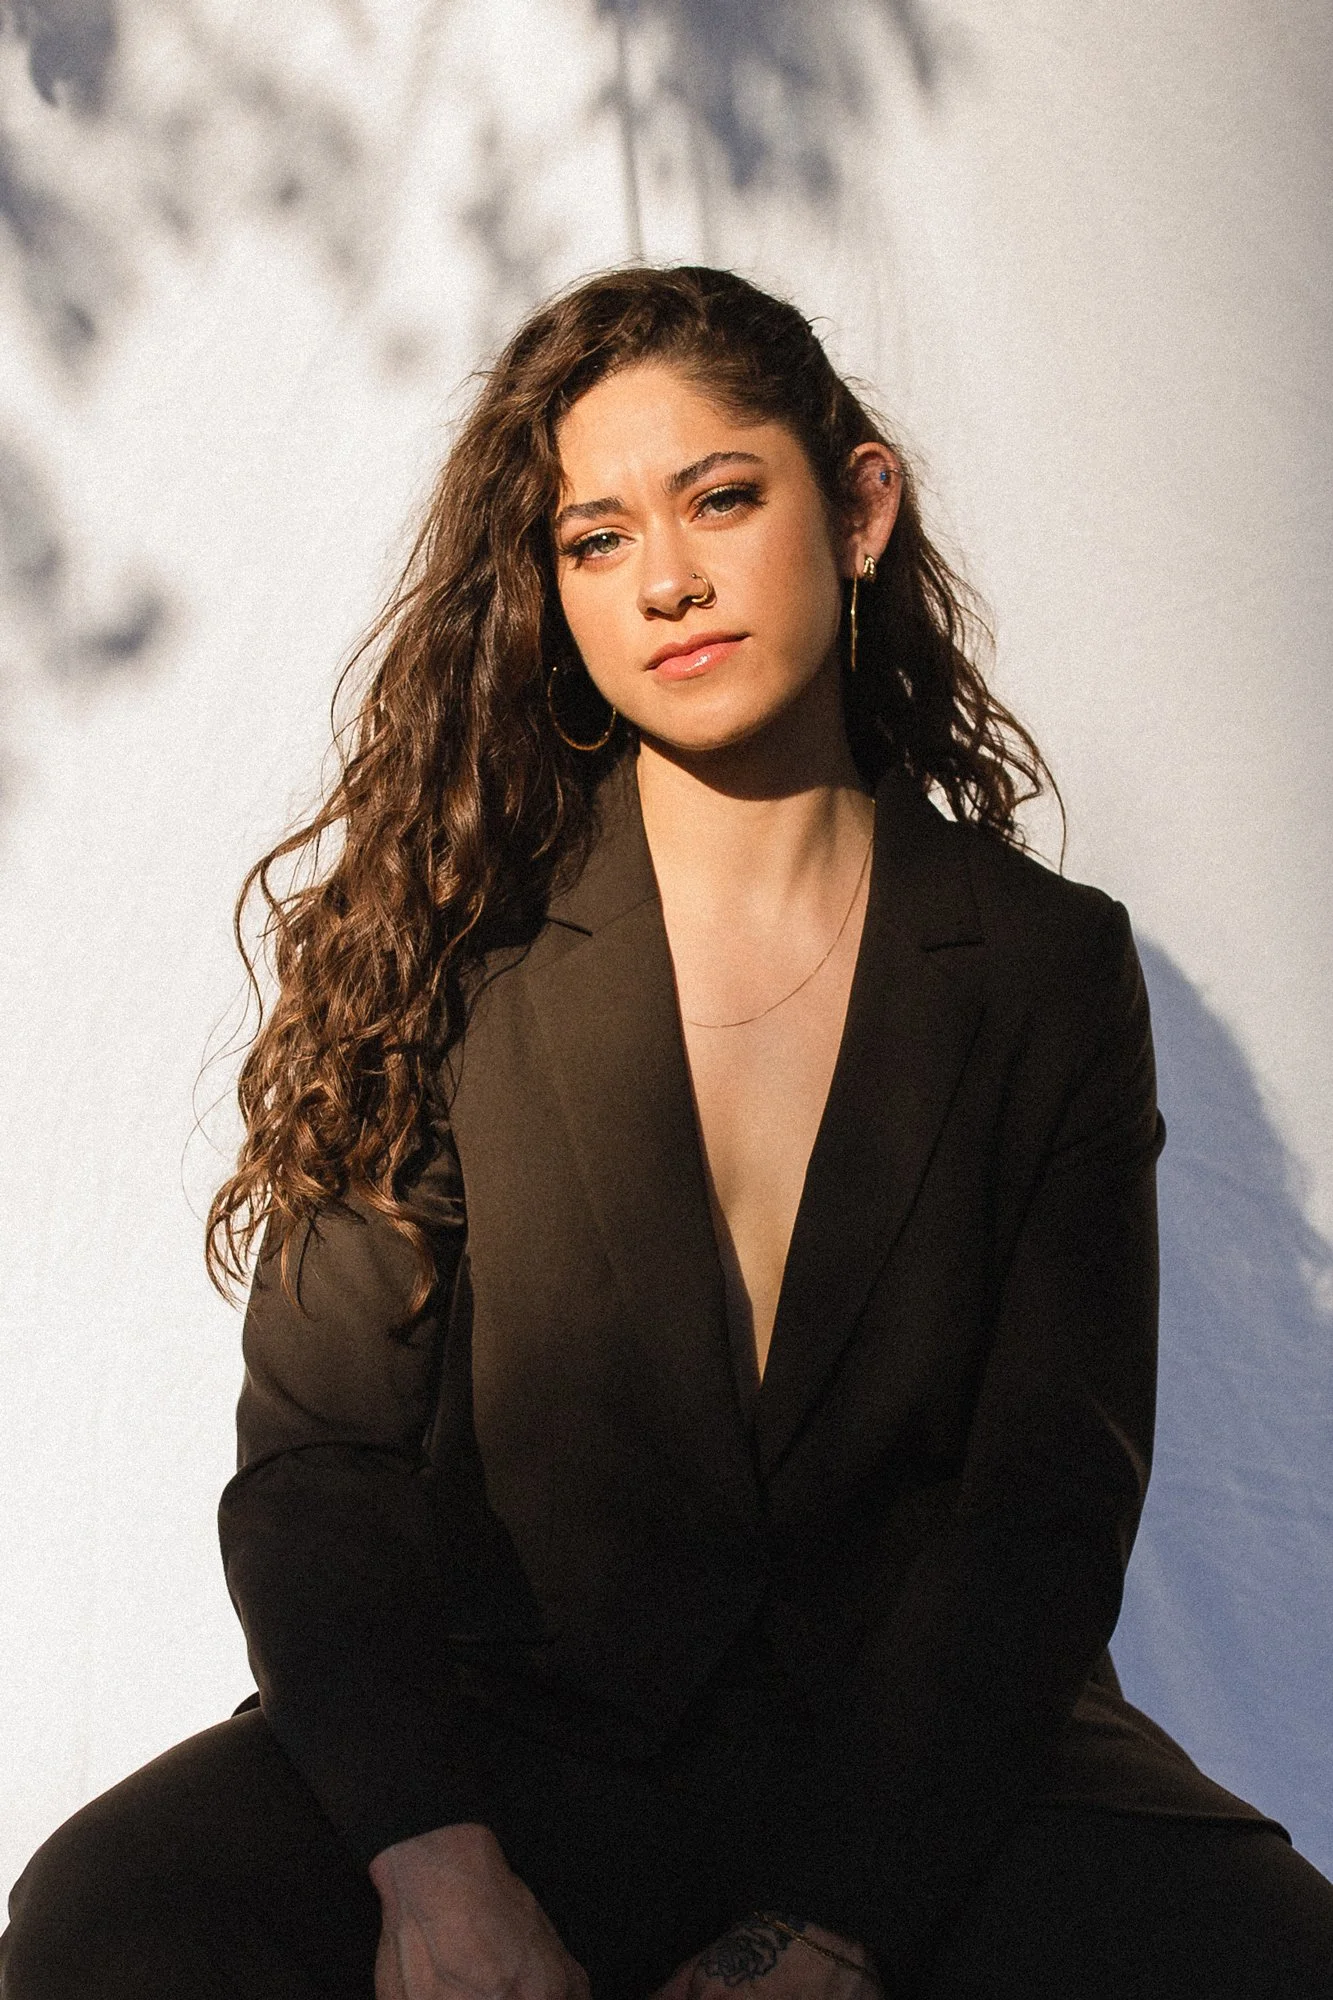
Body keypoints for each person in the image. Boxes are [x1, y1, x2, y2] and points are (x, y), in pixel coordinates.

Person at [4, 264, 1332, 2000]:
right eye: (596, 538)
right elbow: (320, 1459)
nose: (668, 582)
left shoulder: (1044, 968)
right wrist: (433, 1860)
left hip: (921, 1762)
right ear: (551, 591)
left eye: (719, 499)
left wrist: (838, 1919)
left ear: (858, 509)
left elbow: (1048, 1499)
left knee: (1273, 1957)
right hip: (518, 1744)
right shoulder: (447, 942)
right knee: (103, 1922)